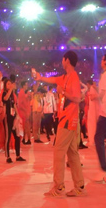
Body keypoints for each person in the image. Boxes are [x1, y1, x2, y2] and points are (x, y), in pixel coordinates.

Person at [33, 51, 85, 197]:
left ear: (67, 60)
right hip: (67, 119)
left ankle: (59, 186)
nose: (62, 61)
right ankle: (79, 186)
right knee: (72, 153)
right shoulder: (66, 77)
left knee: (59, 151)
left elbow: (77, 97)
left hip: (68, 119)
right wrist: (41, 77)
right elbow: (55, 80)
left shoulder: (73, 77)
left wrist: (63, 92)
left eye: (63, 59)